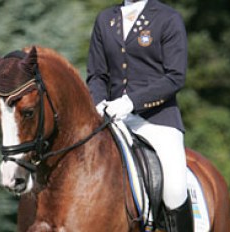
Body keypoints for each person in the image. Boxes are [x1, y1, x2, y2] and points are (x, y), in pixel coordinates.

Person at [86, 0, 193, 231]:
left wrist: (131, 102)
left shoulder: (167, 18)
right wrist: (98, 103)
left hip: (157, 119)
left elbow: (175, 77)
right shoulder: (106, 19)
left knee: (174, 189)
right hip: (112, 118)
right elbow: (96, 74)